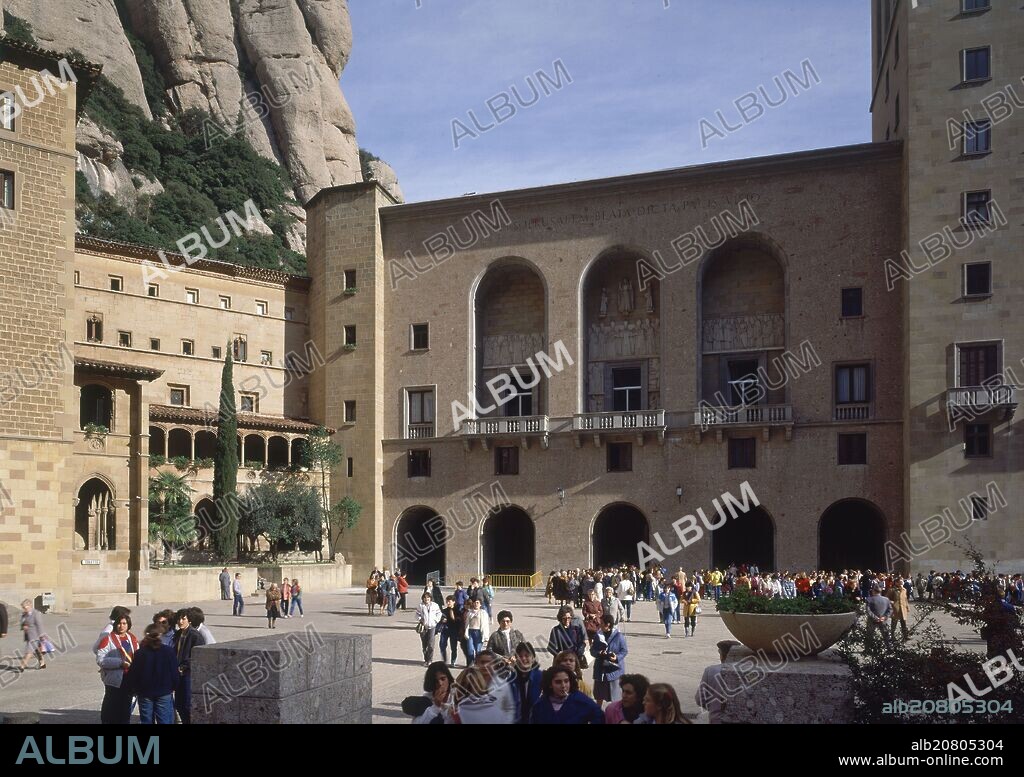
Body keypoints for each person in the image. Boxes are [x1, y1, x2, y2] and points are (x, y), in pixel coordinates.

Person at [127, 624, 178, 724]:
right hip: (164, 691)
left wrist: (134, 689)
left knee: (146, 720)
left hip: (145, 691)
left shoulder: (140, 653)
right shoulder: (169, 651)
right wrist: (173, 687)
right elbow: (174, 673)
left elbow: (133, 674)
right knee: (164, 720)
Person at [96, 613, 138, 724]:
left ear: (128, 625)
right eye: (119, 623)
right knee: (110, 707)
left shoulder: (132, 638)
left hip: (129, 678)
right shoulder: (107, 639)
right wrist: (119, 663)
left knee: (125, 707)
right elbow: (100, 659)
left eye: (124, 623)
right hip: (114, 679)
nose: (121, 626)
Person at [529, 665, 604, 724]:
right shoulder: (540, 705)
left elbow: (599, 716)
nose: (563, 685)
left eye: (566, 681)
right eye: (558, 682)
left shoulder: (580, 700)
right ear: (550, 684)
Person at [696, 640, 741, 724]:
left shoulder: (710, 671)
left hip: (717, 719)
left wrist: (714, 706)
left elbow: (700, 699)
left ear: (721, 655)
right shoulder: (745, 672)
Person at [172, 609, 203, 724]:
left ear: (189, 620)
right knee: (179, 704)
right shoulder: (178, 634)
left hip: (188, 675)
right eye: (179, 619)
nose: (180, 621)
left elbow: (197, 656)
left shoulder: (195, 635)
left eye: (183, 619)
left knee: (186, 704)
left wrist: (184, 666)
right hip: (178, 673)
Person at [591, 614, 628, 704]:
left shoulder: (619, 636)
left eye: (602, 623)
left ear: (608, 624)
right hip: (601, 671)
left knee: (615, 698)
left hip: (614, 671)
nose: (600, 625)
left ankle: (615, 715)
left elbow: (624, 651)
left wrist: (616, 657)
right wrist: (598, 653)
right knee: (599, 696)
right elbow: (592, 650)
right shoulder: (598, 635)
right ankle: (597, 714)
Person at [474, 651, 517, 723]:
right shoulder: (467, 684)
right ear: (476, 664)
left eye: (489, 663)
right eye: (482, 662)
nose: (486, 665)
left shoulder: (504, 686)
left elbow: (509, 709)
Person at [511, 642, 543, 724]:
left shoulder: (542, 677)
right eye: (520, 656)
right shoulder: (510, 679)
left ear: (533, 658)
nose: (524, 659)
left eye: (527, 655)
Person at [17, 599, 47, 671]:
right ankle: (42, 663)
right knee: (37, 650)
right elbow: (22, 623)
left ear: (30, 606)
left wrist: (42, 635)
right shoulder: (24, 614)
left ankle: (22, 666)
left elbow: (39, 625)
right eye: (23, 607)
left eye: (25, 607)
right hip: (28, 635)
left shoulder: (36, 613)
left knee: (29, 651)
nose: (24, 609)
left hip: (35, 636)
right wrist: (23, 626)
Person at [415, 592, 443, 666]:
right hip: (424, 627)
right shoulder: (420, 606)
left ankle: (430, 659)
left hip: (432, 626)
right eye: (425, 598)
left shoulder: (435, 605)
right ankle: (426, 659)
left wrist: (436, 620)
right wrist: (420, 619)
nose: (426, 599)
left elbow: (439, 613)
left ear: (430, 598)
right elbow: (417, 614)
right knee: (424, 644)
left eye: (428, 598)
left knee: (430, 644)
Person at [464, 598, 490, 663]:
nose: (476, 604)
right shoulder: (470, 612)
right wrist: (466, 632)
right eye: (475, 602)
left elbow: (485, 625)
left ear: (480, 604)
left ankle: (478, 663)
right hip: (471, 631)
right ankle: (471, 663)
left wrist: (486, 635)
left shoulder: (483, 613)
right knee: (470, 649)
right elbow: (467, 623)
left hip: (479, 632)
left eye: (478, 603)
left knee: (478, 650)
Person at [438, 595, 461, 668]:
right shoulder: (444, 611)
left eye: (449, 601)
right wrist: (442, 620)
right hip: (445, 630)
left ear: (454, 602)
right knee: (442, 645)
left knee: (453, 647)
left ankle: (453, 662)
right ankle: (444, 660)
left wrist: (454, 618)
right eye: (447, 601)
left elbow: (459, 621)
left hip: (454, 630)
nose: (448, 603)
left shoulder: (457, 610)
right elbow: (440, 619)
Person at [886, 576, 910, 642]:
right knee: (894, 623)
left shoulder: (904, 590)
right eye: (900, 582)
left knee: (904, 623)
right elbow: (887, 599)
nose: (902, 583)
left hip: (903, 608)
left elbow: (905, 599)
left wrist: (907, 607)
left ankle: (905, 636)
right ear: (896, 582)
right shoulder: (892, 590)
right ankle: (892, 636)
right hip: (895, 609)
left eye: (902, 581)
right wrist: (892, 602)